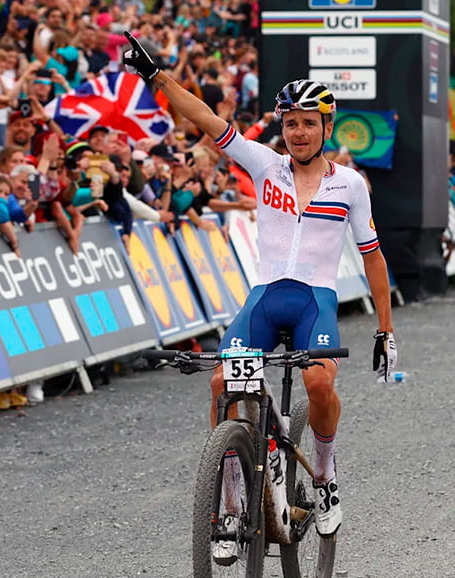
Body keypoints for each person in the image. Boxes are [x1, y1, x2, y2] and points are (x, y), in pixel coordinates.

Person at [124, 34, 399, 543]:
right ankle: (230, 505)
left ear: (325, 126)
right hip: (265, 299)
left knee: (319, 385)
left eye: (307, 123)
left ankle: (324, 473)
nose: (297, 132)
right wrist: (156, 76)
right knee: (220, 385)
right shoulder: (264, 165)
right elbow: (206, 119)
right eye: (290, 122)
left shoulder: (351, 185)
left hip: (314, 301)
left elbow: (372, 257)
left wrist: (385, 329)